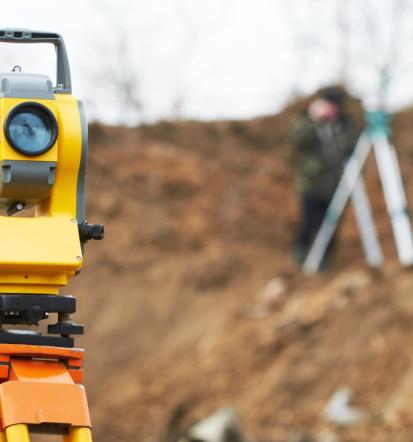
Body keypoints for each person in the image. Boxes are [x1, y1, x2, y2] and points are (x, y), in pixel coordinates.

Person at [290, 87, 358, 266]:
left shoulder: (345, 126)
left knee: (331, 223)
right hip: (311, 184)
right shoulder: (307, 122)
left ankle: (324, 258)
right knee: (309, 222)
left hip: (336, 185)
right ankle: (301, 251)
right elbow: (297, 140)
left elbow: (353, 149)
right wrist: (314, 119)